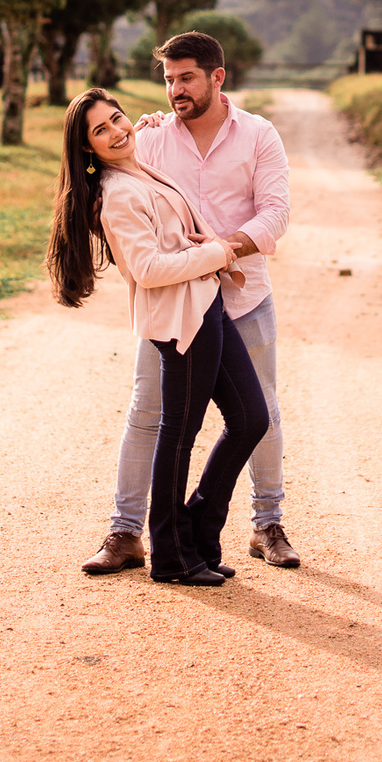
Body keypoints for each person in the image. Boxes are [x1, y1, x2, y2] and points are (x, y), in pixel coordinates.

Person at [81, 30, 300, 576]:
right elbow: (124, 198)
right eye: (168, 80)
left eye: (186, 78)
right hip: (177, 307)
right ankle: (126, 532)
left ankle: (266, 524)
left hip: (243, 296)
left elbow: (275, 214)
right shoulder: (151, 139)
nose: (175, 90)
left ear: (216, 77)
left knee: (260, 412)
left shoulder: (258, 135)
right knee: (149, 415)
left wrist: (229, 247)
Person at [46, 85, 268, 585]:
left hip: (204, 304)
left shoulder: (137, 165)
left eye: (117, 118)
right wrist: (217, 252)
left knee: (251, 418)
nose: (116, 132)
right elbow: (146, 269)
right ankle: (171, 556)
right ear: (87, 149)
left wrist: (143, 126)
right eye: (101, 131)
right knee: (179, 434)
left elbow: (143, 139)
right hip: (179, 320)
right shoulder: (119, 194)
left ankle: (199, 536)